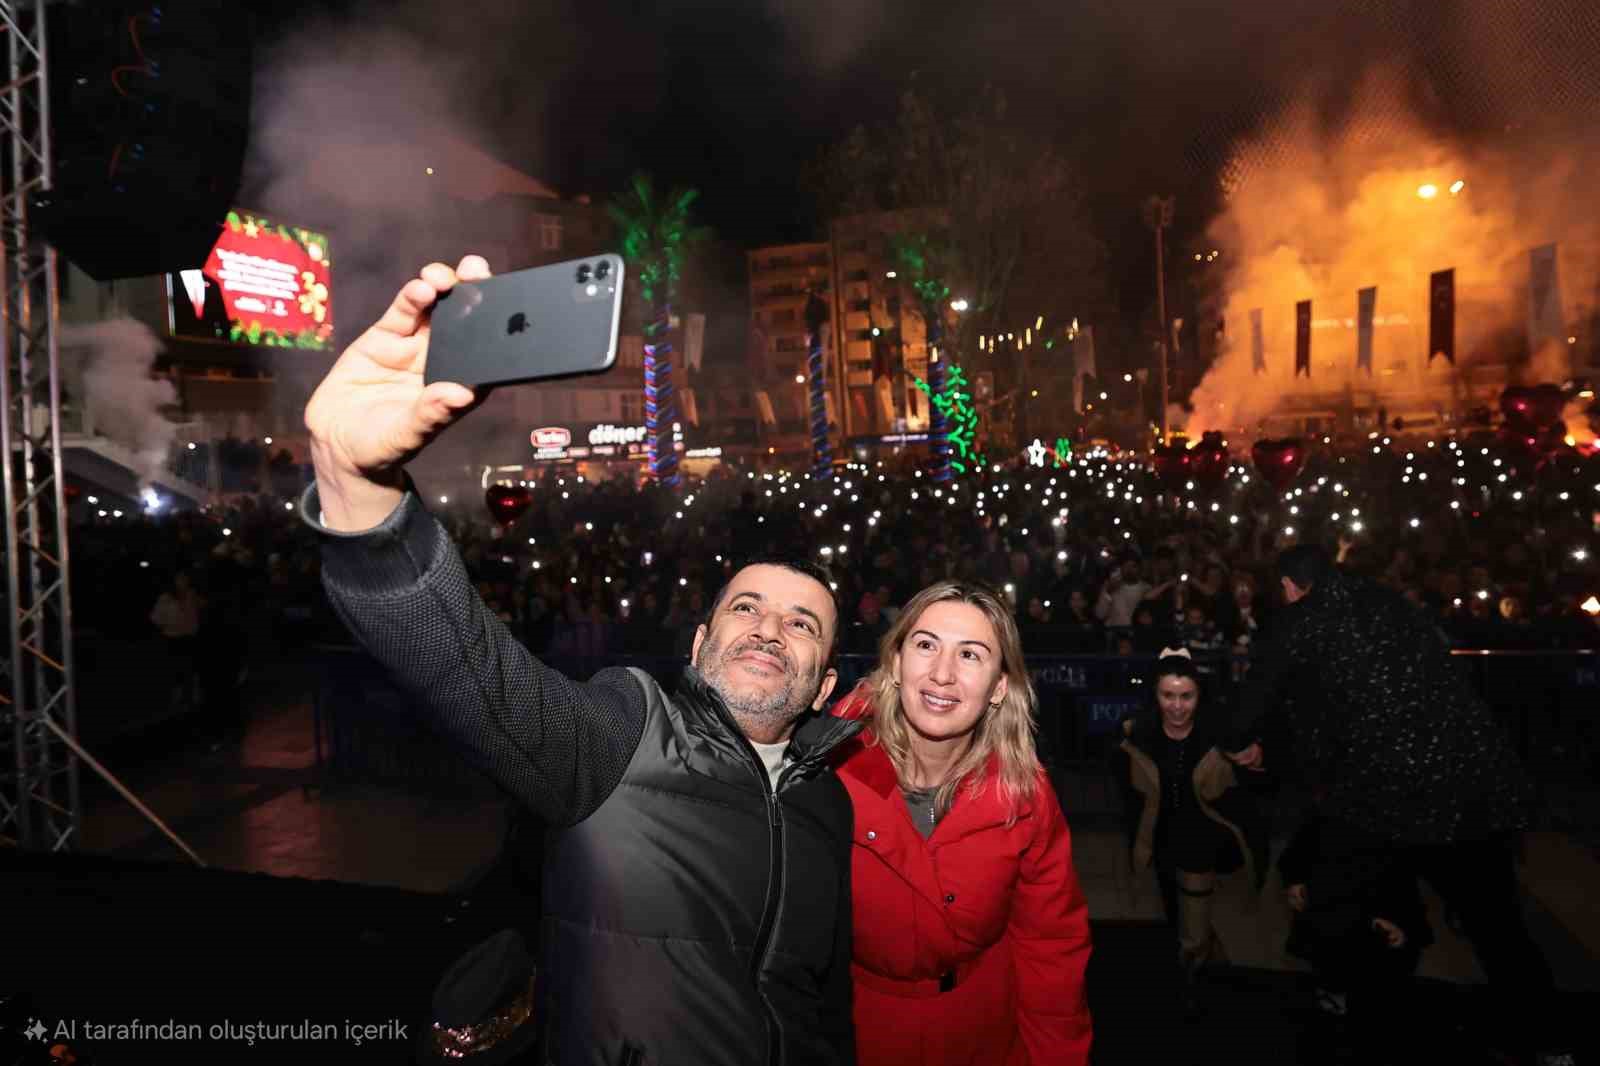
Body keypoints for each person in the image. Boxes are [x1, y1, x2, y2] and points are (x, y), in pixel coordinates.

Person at [300, 257, 862, 1064]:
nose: (770, 628)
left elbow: (822, 996)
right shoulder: (621, 739)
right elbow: (468, 672)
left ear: (827, 685)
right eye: (745, 607)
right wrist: (357, 486)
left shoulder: (829, 806)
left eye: (802, 624)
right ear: (698, 645)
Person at [1225, 544, 1570, 1065]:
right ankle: (1548, 1043)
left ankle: (1345, 1004)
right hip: (1470, 786)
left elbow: (1253, 705)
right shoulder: (1388, 602)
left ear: (1291, 587)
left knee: (1332, 899)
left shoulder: (1299, 621)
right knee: (1497, 925)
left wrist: (1238, 742)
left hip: (1382, 796)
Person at [827, 580, 1093, 1065]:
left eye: (970, 655)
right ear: (895, 663)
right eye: (926, 645)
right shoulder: (825, 769)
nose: (942, 674)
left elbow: (1051, 949)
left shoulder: (1026, 795)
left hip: (982, 1032)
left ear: (999, 688)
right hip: (851, 1030)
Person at [1116, 650, 1270, 986]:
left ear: (1199, 696)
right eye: (1167, 695)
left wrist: (1254, 757)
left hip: (1203, 838)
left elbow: (1259, 786)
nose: (1176, 706)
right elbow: (1128, 794)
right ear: (1155, 695)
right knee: (1175, 911)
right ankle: (1198, 956)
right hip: (1161, 837)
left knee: (1194, 924)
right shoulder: (1138, 734)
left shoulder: (1220, 733)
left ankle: (1195, 978)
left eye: (1186, 696)